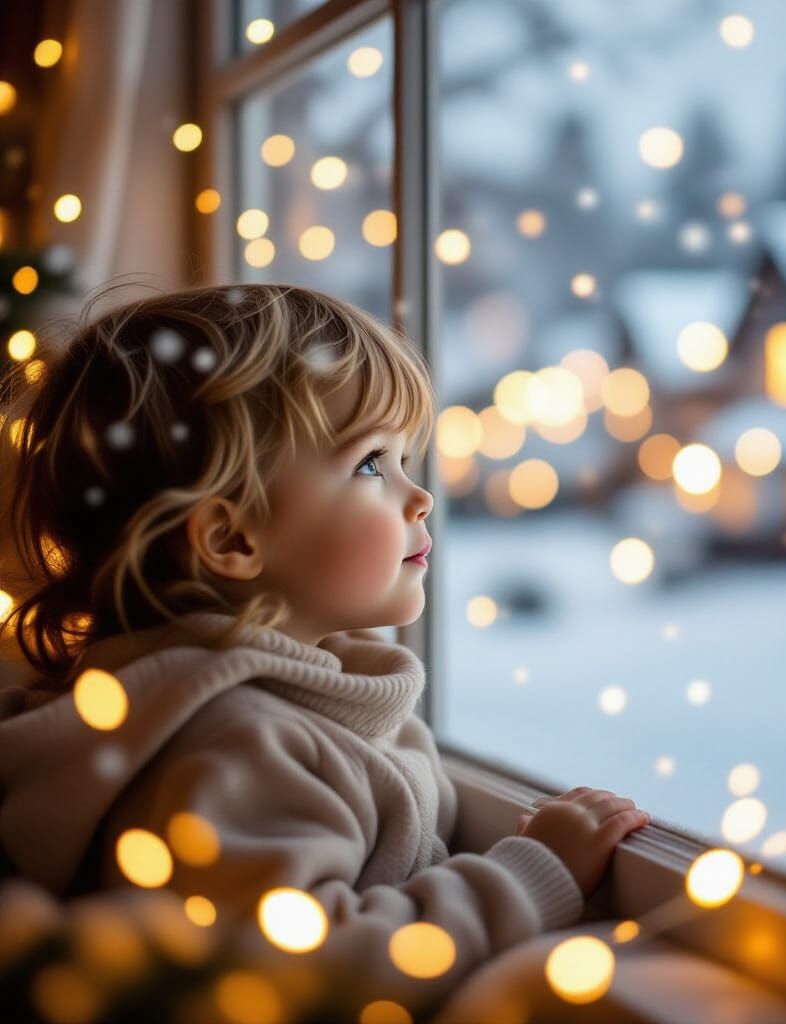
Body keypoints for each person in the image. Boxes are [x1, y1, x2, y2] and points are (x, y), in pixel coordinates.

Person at [0, 282, 651, 1018]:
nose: (420, 496)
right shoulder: (236, 746)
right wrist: (534, 872)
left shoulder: (320, 698)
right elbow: (317, 975)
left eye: (408, 458)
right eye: (374, 463)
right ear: (231, 538)